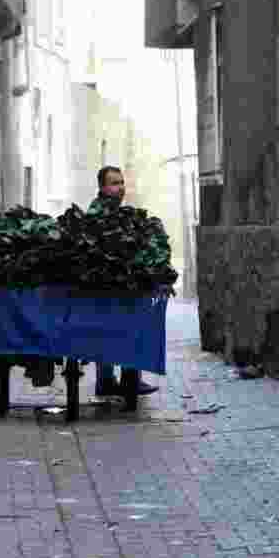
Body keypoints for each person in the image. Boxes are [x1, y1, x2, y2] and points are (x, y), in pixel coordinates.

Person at [90, 166, 159, 397]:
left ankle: (111, 381)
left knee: (113, 333)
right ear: (102, 187)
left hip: (116, 286)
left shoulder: (118, 213)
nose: (120, 187)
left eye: (121, 182)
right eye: (114, 183)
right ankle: (123, 381)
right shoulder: (99, 214)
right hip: (108, 288)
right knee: (125, 329)